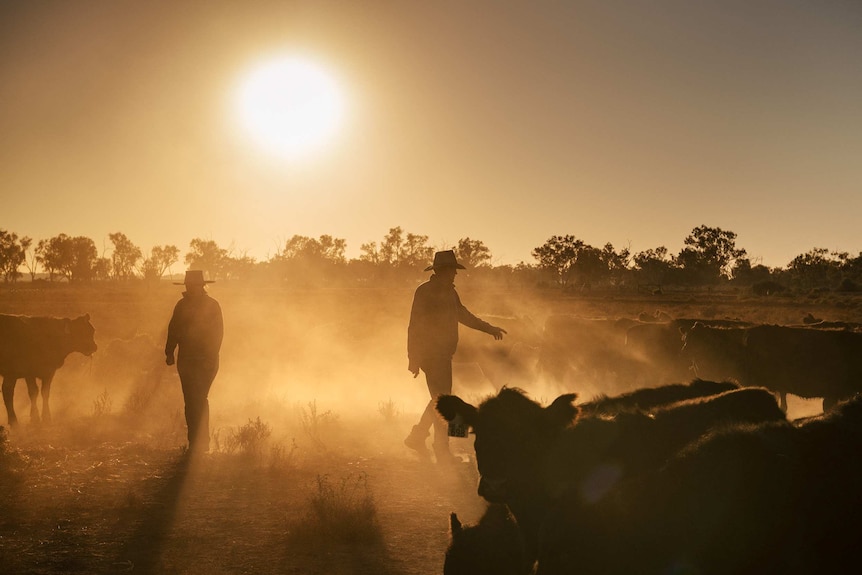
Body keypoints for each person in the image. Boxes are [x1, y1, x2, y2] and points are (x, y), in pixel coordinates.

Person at [405, 250, 506, 464]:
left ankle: (418, 437)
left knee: (440, 399)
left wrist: (488, 328)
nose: (455, 275)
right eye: (453, 270)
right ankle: (441, 449)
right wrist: (413, 358)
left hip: (443, 354)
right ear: (443, 270)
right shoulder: (425, 292)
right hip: (431, 355)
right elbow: (415, 326)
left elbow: (464, 315)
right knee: (445, 401)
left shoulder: (450, 292)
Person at [165, 270, 224, 454]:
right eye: (188, 286)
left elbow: (217, 335)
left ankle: (202, 444)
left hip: (206, 361)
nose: (190, 289)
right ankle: (195, 443)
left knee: (198, 399)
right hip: (187, 360)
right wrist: (169, 351)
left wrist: (210, 358)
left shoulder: (212, 306)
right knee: (191, 401)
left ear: (201, 286)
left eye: (194, 286)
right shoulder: (182, 306)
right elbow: (173, 329)